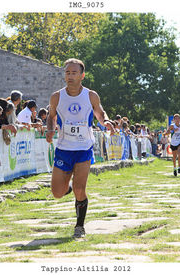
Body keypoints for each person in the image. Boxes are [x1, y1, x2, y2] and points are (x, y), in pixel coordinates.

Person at [45, 58, 114, 238]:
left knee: (80, 189)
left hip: (84, 147)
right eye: (67, 72)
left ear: (82, 75)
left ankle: (79, 226)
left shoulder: (91, 95)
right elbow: (51, 116)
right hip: (64, 148)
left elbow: (99, 112)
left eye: (74, 73)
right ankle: (66, 186)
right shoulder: (57, 96)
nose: (70, 76)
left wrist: (105, 122)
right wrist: (50, 130)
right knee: (57, 193)